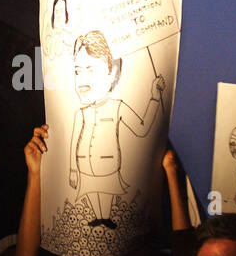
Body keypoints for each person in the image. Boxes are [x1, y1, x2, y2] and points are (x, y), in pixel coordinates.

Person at [68, 30, 165, 230]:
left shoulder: (118, 106)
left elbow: (142, 128)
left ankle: (106, 217)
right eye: (78, 71)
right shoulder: (80, 114)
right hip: (85, 167)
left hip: (108, 165)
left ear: (110, 72)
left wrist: (155, 98)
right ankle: (98, 216)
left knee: (106, 191)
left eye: (91, 69)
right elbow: (72, 144)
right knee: (92, 191)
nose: (83, 79)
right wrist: (72, 169)